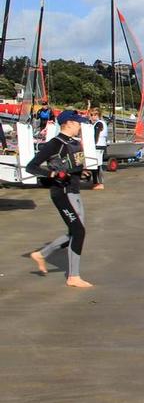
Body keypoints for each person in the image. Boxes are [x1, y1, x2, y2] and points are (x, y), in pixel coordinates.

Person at [25, 109, 93, 288]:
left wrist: (82, 172)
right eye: (78, 123)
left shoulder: (73, 142)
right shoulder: (55, 144)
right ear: (69, 123)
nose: (80, 126)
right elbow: (31, 167)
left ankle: (41, 254)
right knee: (78, 231)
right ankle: (73, 277)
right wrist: (53, 173)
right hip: (61, 193)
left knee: (76, 231)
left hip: (74, 191)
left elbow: (73, 166)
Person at [89, 108, 107, 190]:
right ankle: (97, 182)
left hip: (98, 146)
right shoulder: (100, 123)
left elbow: (95, 137)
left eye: (95, 115)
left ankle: (98, 183)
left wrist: (91, 144)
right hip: (100, 146)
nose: (93, 117)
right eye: (92, 115)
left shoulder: (98, 124)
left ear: (99, 115)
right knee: (96, 165)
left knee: (96, 165)